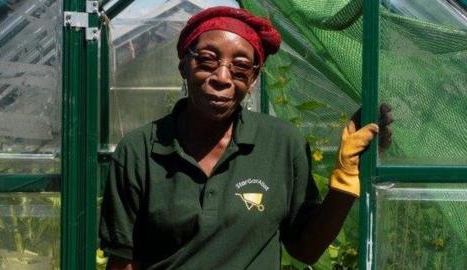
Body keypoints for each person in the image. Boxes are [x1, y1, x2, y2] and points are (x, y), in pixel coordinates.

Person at [99, 6, 391, 270]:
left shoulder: (282, 144)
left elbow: (305, 249)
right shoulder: (139, 150)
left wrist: (345, 179)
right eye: (207, 60)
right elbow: (124, 261)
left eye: (239, 68)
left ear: (252, 80)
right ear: (183, 65)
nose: (223, 77)